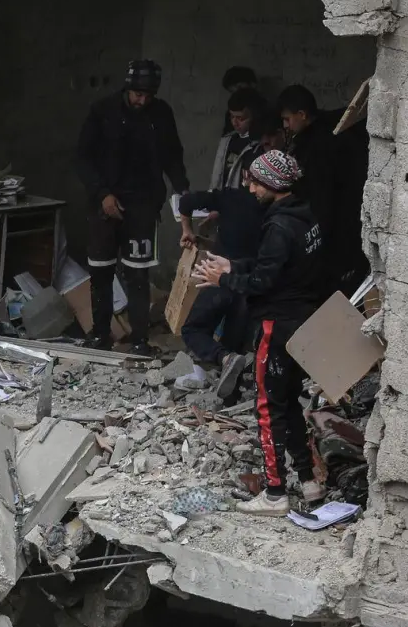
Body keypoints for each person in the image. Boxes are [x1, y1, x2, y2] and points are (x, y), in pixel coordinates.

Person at [193, 152, 329, 516]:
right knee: (288, 402)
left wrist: (222, 278)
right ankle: (309, 482)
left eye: (255, 181)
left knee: (267, 407)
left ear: (273, 184)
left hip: (276, 325)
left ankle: (274, 493)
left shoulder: (278, 227)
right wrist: (234, 264)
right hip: (301, 323)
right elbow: (278, 266)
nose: (249, 187)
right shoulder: (304, 217)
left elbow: (262, 282)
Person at [75, 59, 190, 355]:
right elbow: (83, 158)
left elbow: (172, 155)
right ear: (128, 88)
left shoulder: (161, 114)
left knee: (138, 275)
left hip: (143, 206)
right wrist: (102, 194)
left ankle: (140, 339)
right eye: (138, 94)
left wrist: (183, 192)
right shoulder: (103, 111)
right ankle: (100, 334)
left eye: (148, 95)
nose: (142, 100)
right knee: (100, 272)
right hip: (104, 205)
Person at [175, 123, 269, 393]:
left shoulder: (229, 198)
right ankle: (233, 375)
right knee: (236, 338)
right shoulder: (274, 210)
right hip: (250, 282)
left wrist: (187, 230)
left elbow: (186, 202)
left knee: (193, 329)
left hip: (218, 278)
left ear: (245, 176)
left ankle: (224, 361)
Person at [277, 85, 369, 295]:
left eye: (287, 119)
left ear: (302, 114)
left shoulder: (319, 145)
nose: (286, 126)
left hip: (333, 226)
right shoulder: (332, 129)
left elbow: (321, 194)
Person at [207, 88, 266, 194]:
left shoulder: (260, 145)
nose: (235, 122)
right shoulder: (227, 140)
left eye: (240, 118)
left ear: (254, 116)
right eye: (232, 116)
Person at [220, 66, 259, 135]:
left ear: (253, 84)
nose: (237, 92)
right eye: (232, 91)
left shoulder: (265, 109)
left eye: (240, 87)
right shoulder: (231, 113)